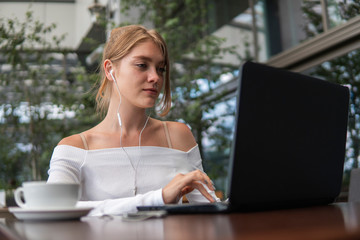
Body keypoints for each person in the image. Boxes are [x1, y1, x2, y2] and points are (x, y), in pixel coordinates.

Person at [47, 25, 219, 216]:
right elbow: (54, 208)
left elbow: (212, 208)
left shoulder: (178, 137)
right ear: (110, 70)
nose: (155, 77)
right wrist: (160, 198)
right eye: (142, 65)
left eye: (160, 69)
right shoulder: (75, 149)